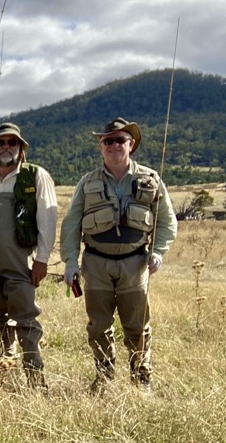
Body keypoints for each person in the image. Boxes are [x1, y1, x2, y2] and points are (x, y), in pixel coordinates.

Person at [60, 117, 176, 394]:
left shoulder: (150, 179)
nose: (114, 145)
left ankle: (142, 379)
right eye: (107, 140)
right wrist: (70, 262)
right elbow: (72, 223)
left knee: (137, 327)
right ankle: (104, 377)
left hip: (135, 264)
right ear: (100, 146)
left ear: (131, 144)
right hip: (96, 263)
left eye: (120, 140)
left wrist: (158, 252)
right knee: (99, 326)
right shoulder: (87, 182)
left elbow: (167, 221)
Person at [0, 123, 57, 388]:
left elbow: (48, 217)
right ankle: (4, 369)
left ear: (21, 148)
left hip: (21, 260)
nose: (6, 147)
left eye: (12, 143)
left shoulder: (35, 176)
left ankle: (35, 377)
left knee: (25, 317)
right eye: (0, 143)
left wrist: (42, 258)